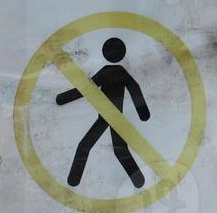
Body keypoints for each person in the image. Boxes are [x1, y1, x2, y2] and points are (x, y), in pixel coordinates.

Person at [56, 37, 151, 188]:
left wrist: (62, 99)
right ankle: (138, 180)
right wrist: (143, 113)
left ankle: (74, 180)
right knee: (119, 150)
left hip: (107, 118)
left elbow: (86, 88)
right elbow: (134, 88)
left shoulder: (106, 72)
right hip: (113, 118)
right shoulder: (119, 72)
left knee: (85, 146)